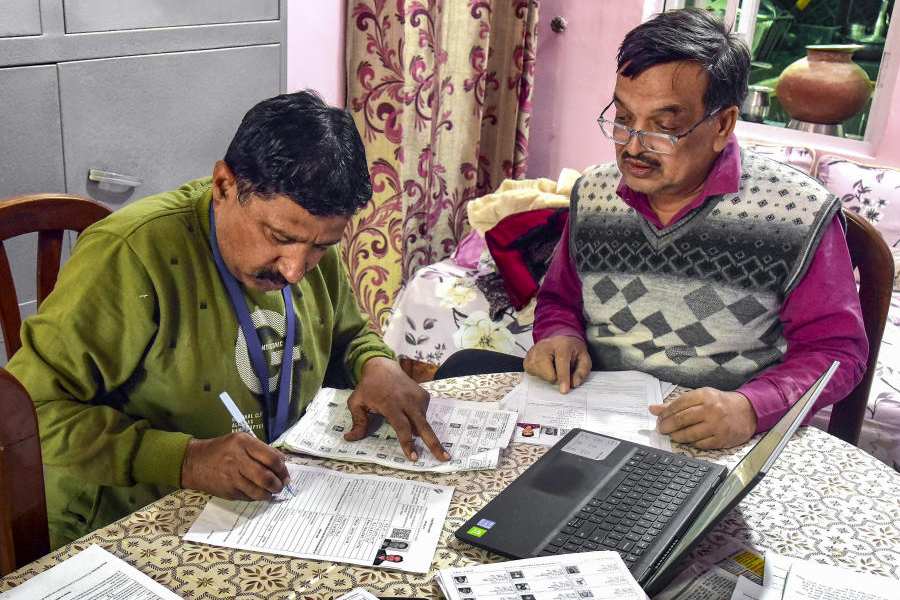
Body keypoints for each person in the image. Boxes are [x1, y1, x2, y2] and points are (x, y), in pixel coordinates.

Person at [6, 90, 449, 548]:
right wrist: (185, 459)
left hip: (262, 503)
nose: (295, 269)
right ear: (223, 186)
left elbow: (346, 332)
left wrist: (375, 363)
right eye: (279, 236)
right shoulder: (132, 255)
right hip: (129, 521)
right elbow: (30, 414)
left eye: (321, 247)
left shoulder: (305, 242)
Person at [524, 8, 867, 449]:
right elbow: (559, 299)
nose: (632, 146)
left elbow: (838, 352)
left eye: (664, 128)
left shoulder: (796, 212)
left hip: (720, 441)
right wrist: (559, 335)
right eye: (624, 118)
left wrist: (750, 407)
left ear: (722, 124)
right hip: (593, 423)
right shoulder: (593, 192)